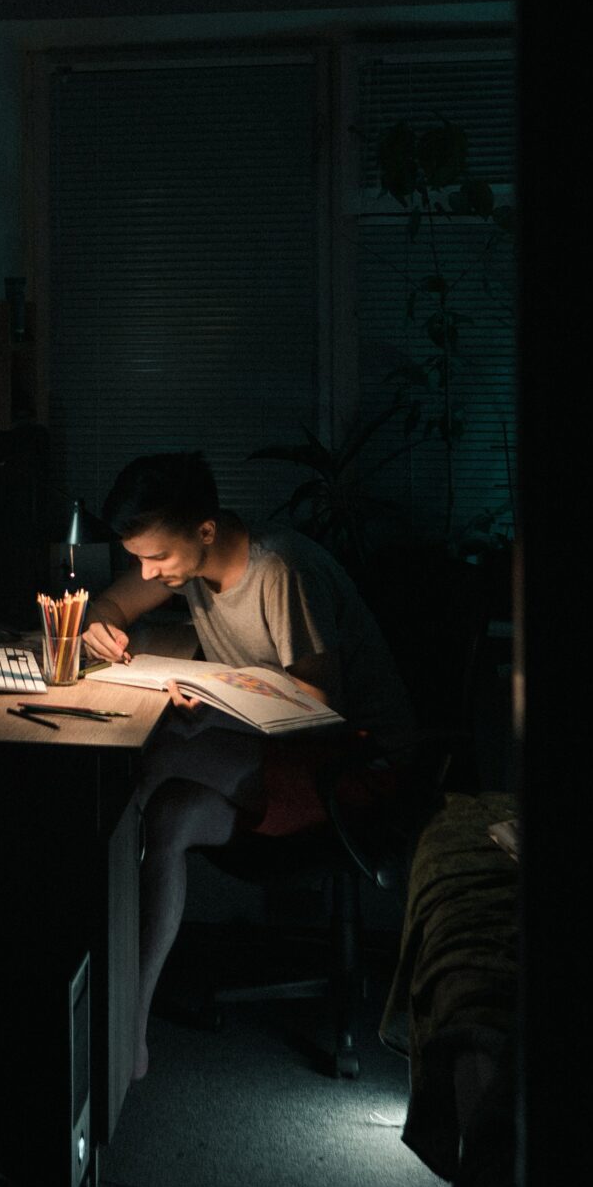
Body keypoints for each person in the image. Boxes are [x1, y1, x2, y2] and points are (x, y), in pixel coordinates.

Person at [81, 451, 417, 1080]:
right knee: (170, 815)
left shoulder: (280, 569)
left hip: (355, 764)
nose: (149, 572)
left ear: (206, 529)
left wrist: (215, 706)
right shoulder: (186, 564)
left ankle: (94, 975)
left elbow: (321, 705)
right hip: (286, 755)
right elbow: (110, 605)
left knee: (153, 761)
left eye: (157, 557)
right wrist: (101, 627)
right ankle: (129, 1025)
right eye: (140, 560)